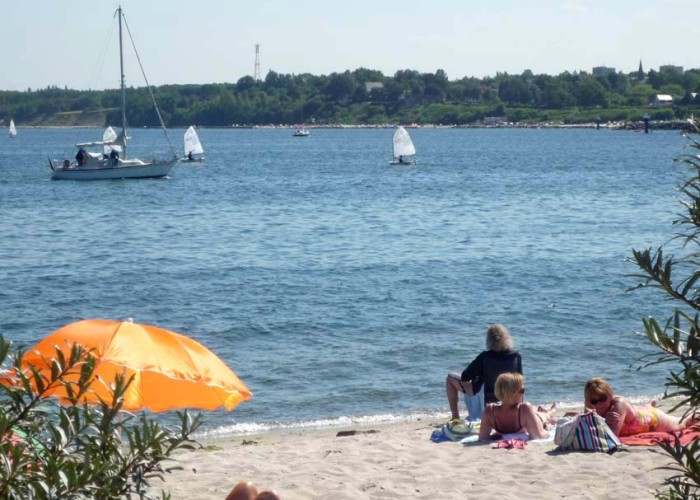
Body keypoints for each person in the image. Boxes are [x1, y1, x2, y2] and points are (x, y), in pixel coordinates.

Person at [446, 324, 522, 423]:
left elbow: (465, 376)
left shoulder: (485, 357)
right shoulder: (516, 356)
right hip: (508, 399)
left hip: (486, 400)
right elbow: (520, 382)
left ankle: (455, 417)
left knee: (450, 377)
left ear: (489, 340)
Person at [584, 377, 695, 437]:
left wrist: (605, 423)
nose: (599, 404)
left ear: (610, 395)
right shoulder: (589, 404)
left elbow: (612, 436)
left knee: (683, 423)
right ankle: (649, 405)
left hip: (651, 420)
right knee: (636, 410)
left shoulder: (618, 404)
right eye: (594, 401)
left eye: (603, 398)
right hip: (637, 412)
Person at [478, 372, 556, 441]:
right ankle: (547, 410)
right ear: (512, 392)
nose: (523, 394)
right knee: (545, 415)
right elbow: (538, 436)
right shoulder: (524, 409)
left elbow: (483, 438)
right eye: (522, 390)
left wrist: (548, 427)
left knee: (548, 416)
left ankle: (553, 409)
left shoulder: (490, 411)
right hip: (532, 417)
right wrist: (547, 430)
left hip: (539, 419)